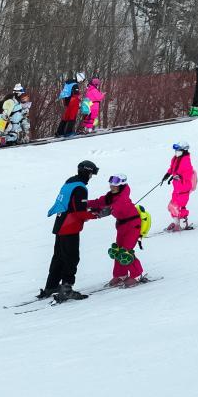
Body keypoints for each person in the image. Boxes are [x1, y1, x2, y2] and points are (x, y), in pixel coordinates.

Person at [40, 160, 99, 302]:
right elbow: (79, 211)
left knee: (59, 256)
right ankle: (66, 289)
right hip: (69, 227)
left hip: (60, 223)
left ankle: (51, 286)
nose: (90, 177)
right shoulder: (80, 188)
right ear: (87, 172)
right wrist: (97, 214)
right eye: (91, 174)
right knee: (71, 257)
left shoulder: (70, 182)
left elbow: (70, 205)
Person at [87, 174, 147, 287]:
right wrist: (85, 203)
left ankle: (137, 274)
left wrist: (98, 210)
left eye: (115, 185)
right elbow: (99, 201)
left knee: (125, 252)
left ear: (122, 185)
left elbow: (113, 208)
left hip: (133, 225)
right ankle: (121, 275)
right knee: (117, 250)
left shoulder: (122, 197)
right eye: (111, 184)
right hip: (121, 225)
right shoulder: (111, 196)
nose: (112, 186)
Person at [163, 141, 197, 229]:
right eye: (175, 150)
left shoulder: (186, 160)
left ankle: (183, 223)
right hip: (177, 187)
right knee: (173, 205)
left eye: (178, 150)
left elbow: (188, 173)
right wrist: (167, 174)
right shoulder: (176, 158)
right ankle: (176, 222)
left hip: (184, 187)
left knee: (180, 206)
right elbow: (172, 168)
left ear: (184, 150)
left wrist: (178, 176)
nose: (176, 152)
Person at [56, 73, 84, 137]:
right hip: (73, 102)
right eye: (81, 80)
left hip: (67, 101)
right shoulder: (75, 85)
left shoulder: (68, 83)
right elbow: (75, 95)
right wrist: (79, 102)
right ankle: (68, 132)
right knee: (72, 117)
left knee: (66, 117)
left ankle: (60, 132)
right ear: (80, 79)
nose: (81, 82)